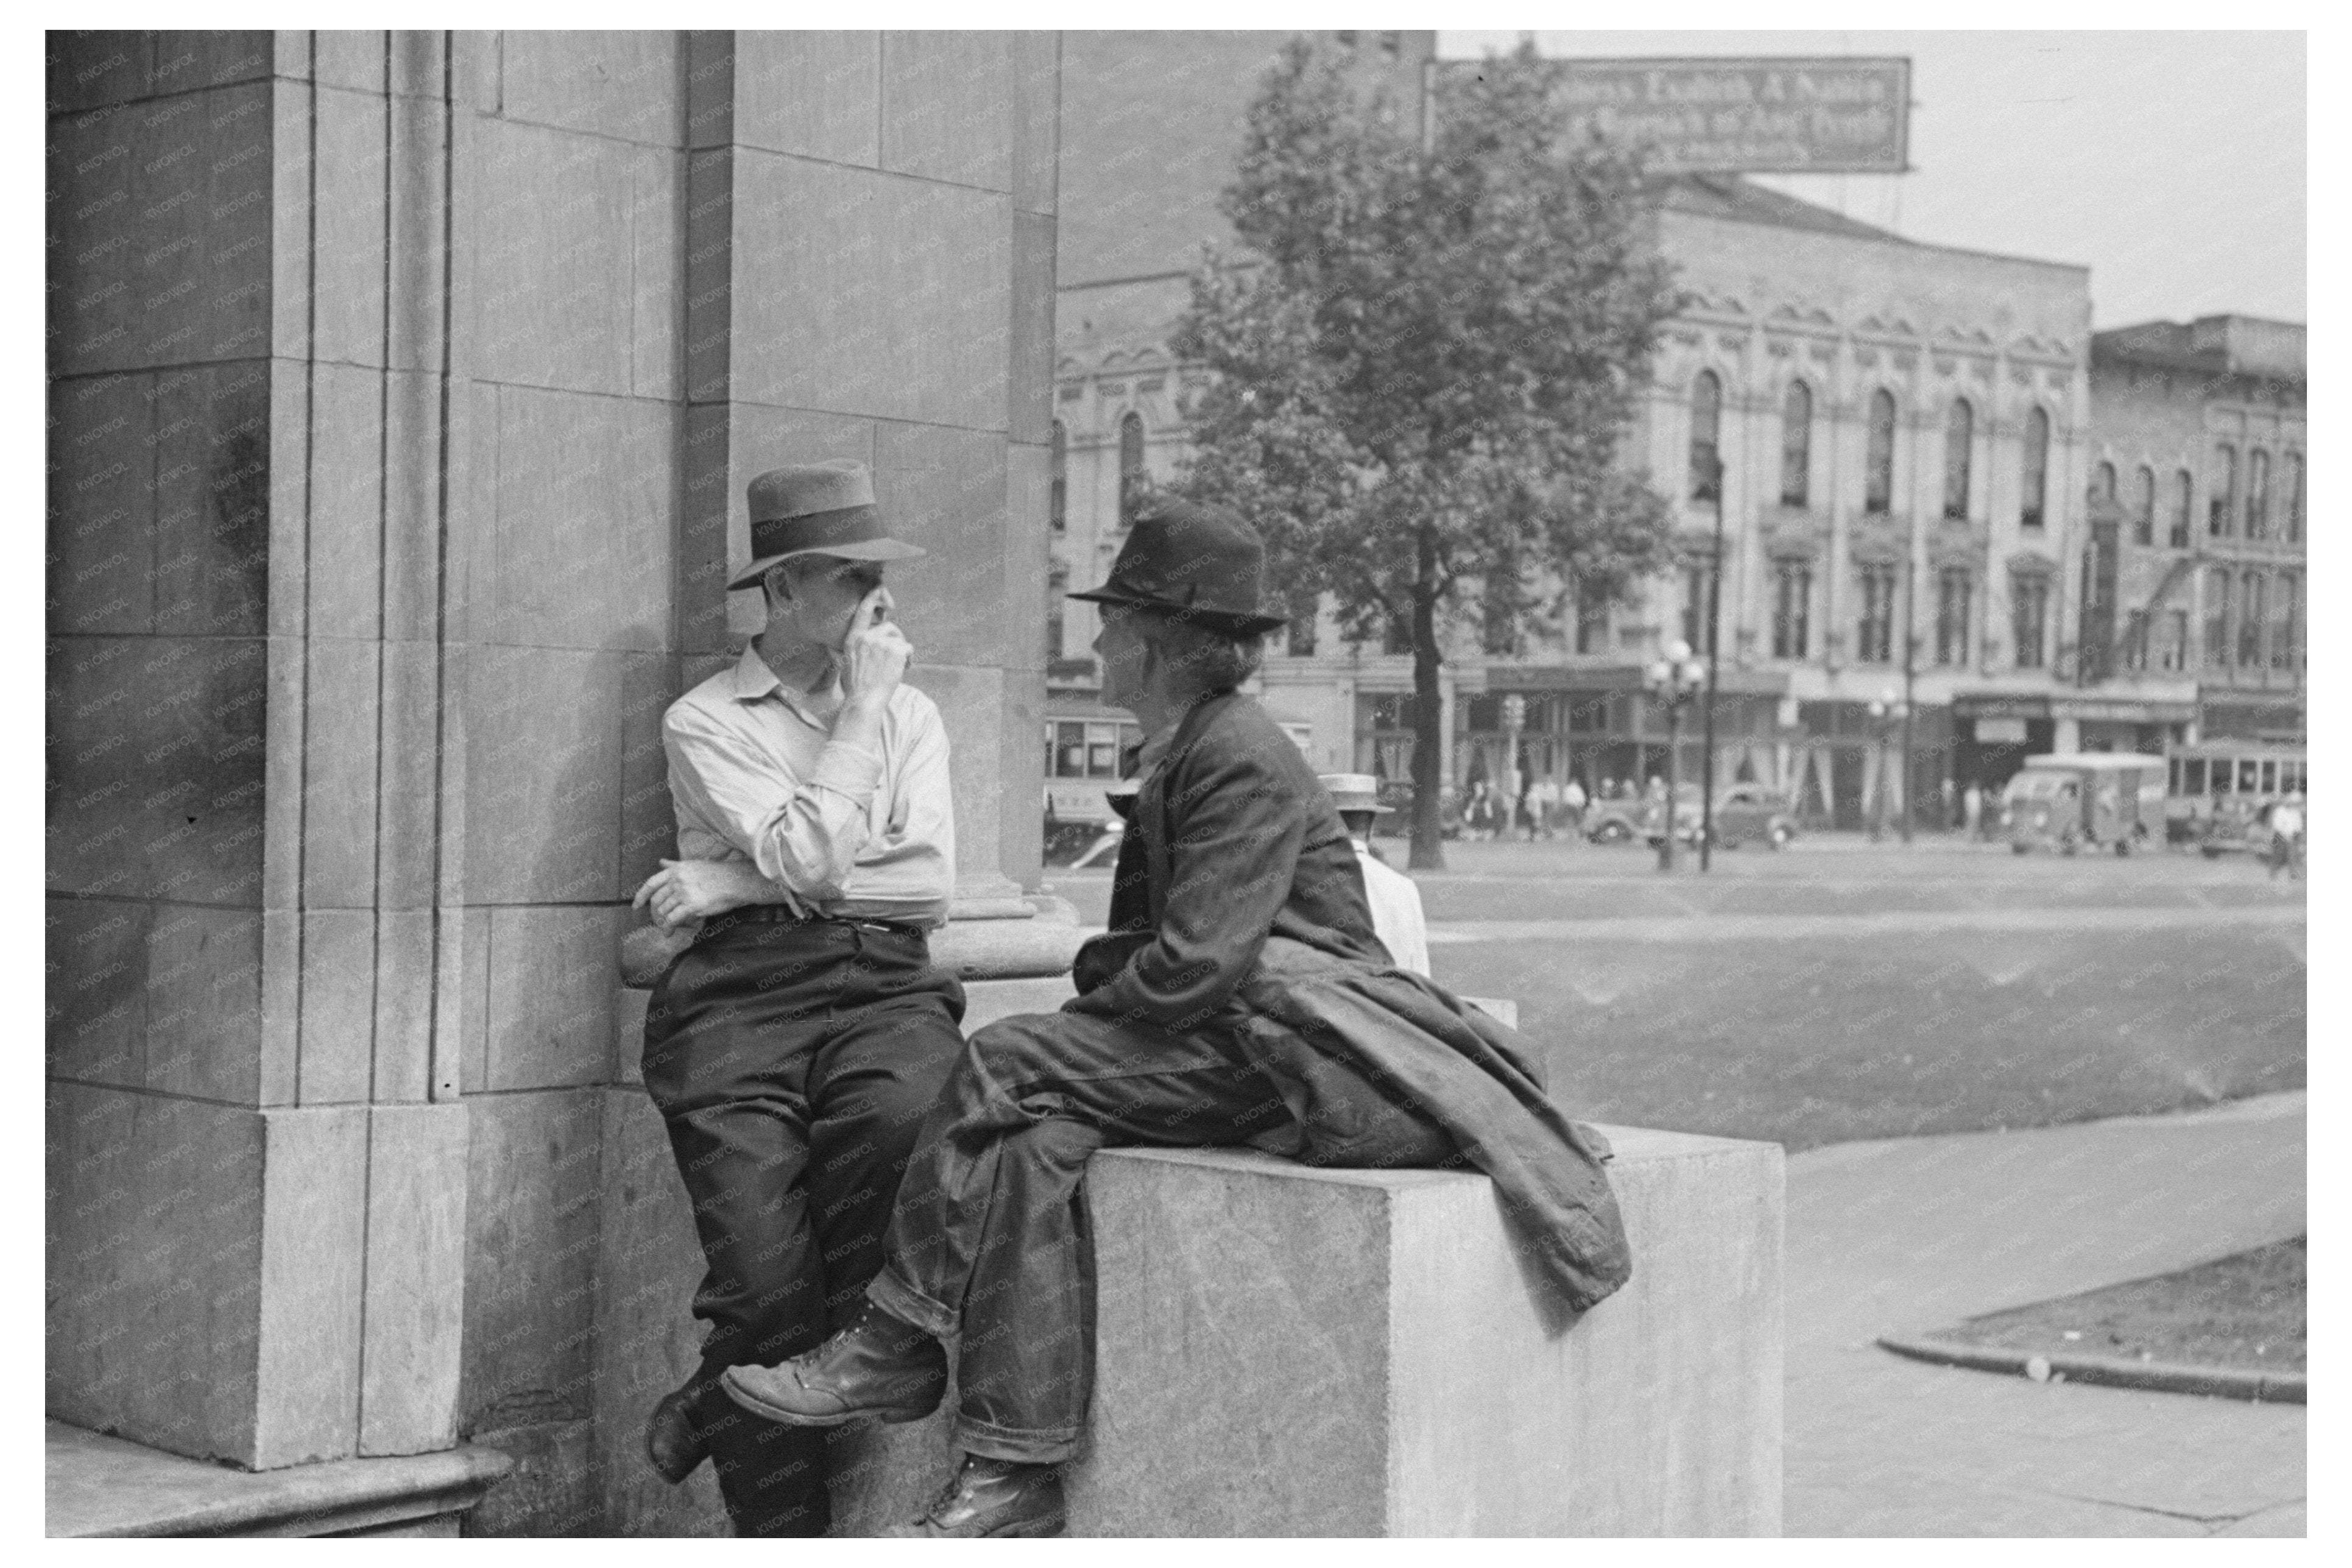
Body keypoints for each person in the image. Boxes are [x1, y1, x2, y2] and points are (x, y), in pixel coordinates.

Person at [719, 500, 1631, 1537]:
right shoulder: (1192, 743)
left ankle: (894, 1340)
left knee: (1004, 1058)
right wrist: (1102, 1010)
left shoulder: (1236, 751)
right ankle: (1013, 1474)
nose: (1098, 641)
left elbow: (1191, 969)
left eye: (1113, 624)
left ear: (1157, 644)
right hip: (1240, 1037)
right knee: (1031, 1141)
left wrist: (1084, 1021)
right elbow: (1153, 954)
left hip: (1298, 1060)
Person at [627, 461, 967, 1538]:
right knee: (765, 1291)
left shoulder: (914, 711)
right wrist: (860, 710)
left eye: (882, 575)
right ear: (777, 591)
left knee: (910, 1123)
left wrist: (732, 875)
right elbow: (818, 862)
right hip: (738, 1000)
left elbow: (930, 886)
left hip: (881, 985)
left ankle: (703, 1399)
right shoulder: (705, 719)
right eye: (852, 577)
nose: (883, 603)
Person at [1319, 772, 1430, 976]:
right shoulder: (1403, 888)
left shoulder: (1304, 883)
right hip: (1394, 1004)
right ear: (1371, 824)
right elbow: (1421, 974)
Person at [2268, 791, 2304, 880]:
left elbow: (2298, 826)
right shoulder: (2280, 811)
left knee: (2292, 855)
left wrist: (2294, 834)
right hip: (2280, 836)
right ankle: (2273, 873)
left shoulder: (2296, 812)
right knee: (2278, 855)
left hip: (2293, 836)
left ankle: (2292, 874)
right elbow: (2277, 825)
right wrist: (2285, 835)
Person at [1563, 774, 1588, 838]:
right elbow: (1582, 798)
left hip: (1569, 805)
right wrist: (1581, 806)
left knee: (1569, 820)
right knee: (1579, 820)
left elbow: (1565, 798)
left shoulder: (1567, 788)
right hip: (1577, 806)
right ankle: (1581, 834)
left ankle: (1570, 834)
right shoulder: (1578, 789)